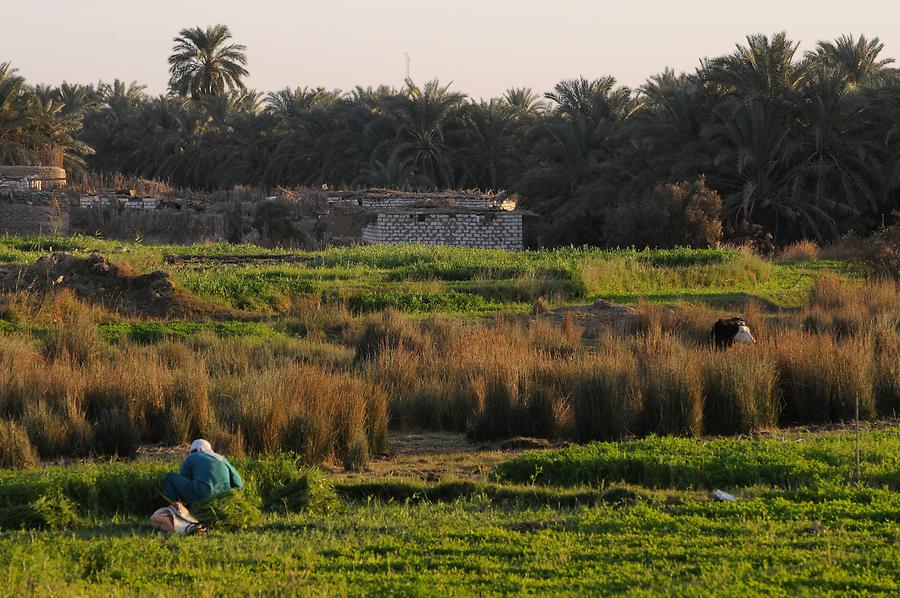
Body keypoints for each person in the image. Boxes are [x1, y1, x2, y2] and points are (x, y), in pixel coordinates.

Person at [162, 439, 244, 506]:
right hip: (223, 499)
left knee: (170, 477)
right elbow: (239, 483)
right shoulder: (222, 459)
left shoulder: (192, 457)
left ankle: (175, 509)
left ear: (193, 450)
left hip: (201, 496)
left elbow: (184, 478)